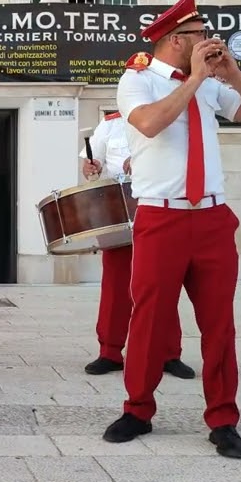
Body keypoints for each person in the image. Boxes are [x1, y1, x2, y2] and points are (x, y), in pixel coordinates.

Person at [100, 0, 241, 459]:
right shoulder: (137, 81)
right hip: (162, 216)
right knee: (150, 319)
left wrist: (233, 76)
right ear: (177, 40)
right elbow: (151, 124)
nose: (210, 42)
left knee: (220, 324)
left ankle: (223, 419)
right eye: (201, 35)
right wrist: (196, 80)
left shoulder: (212, 84)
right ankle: (138, 409)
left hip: (213, 216)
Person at [80, 110, 193, 380]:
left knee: (162, 283)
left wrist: (144, 159)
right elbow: (90, 165)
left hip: (158, 208)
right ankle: (109, 352)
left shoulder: (171, 119)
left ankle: (169, 354)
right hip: (116, 211)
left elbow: (182, 159)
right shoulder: (110, 124)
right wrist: (90, 167)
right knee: (116, 284)